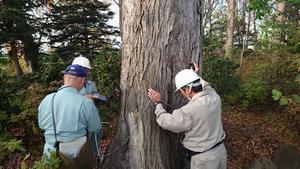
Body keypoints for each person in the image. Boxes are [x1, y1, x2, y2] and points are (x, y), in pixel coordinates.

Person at [147, 69, 227, 169]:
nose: (181, 93)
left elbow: (166, 122)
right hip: (220, 153)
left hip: (205, 161)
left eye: (181, 90)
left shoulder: (188, 111)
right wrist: (194, 75)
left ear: (188, 90)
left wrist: (157, 104)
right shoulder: (214, 96)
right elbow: (206, 86)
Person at [38, 64, 102, 168]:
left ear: (65, 78)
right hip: (76, 156)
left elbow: (41, 125)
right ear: (82, 80)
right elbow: (96, 128)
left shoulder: (46, 99)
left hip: (50, 156)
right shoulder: (86, 103)